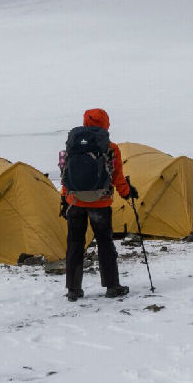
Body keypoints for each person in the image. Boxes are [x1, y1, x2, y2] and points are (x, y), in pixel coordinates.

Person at [59, 108, 138, 301]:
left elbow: (65, 175)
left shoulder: (72, 144)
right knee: (104, 243)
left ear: (85, 122)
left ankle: (73, 290)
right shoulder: (111, 147)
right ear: (105, 123)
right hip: (100, 203)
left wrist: (64, 198)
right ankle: (112, 286)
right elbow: (117, 176)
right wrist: (127, 192)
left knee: (75, 244)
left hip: (74, 201)